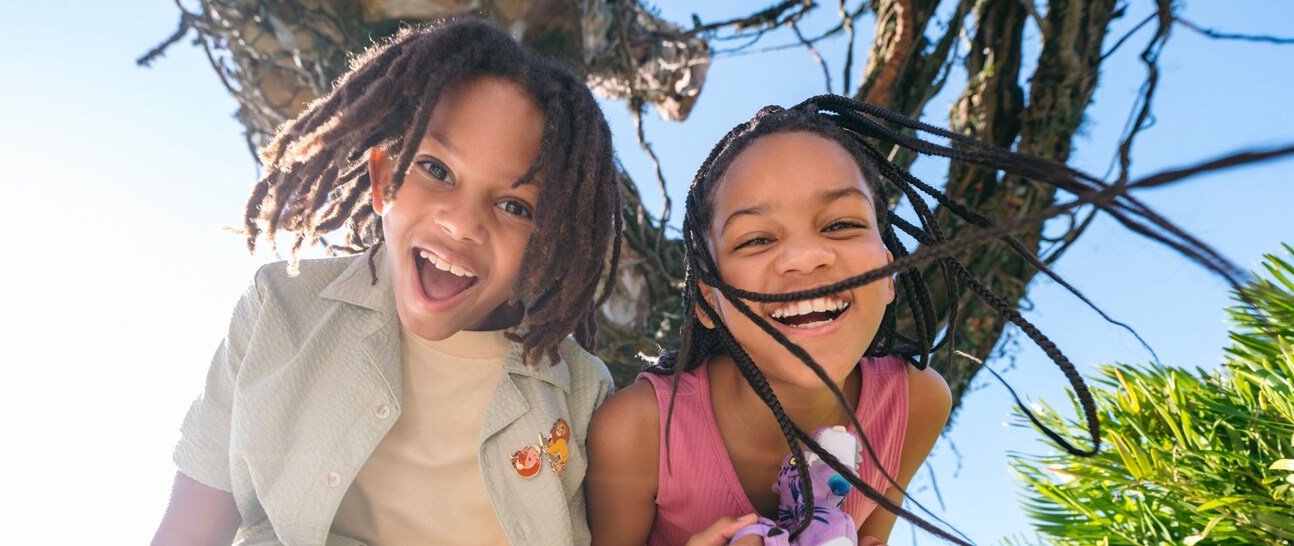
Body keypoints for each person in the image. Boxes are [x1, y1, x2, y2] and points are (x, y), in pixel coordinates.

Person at [586, 96, 1142, 546]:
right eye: (756, 238)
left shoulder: (916, 404)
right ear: (707, 300)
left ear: (890, 268)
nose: (806, 257)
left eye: (841, 225)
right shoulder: (637, 433)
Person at [150, 18, 622, 546]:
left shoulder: (582, 395)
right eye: (437, 170)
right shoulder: (280, 308)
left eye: (515, 205)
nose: (462, 223)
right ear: (382, 181)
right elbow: (189, 530)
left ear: (546, 248)